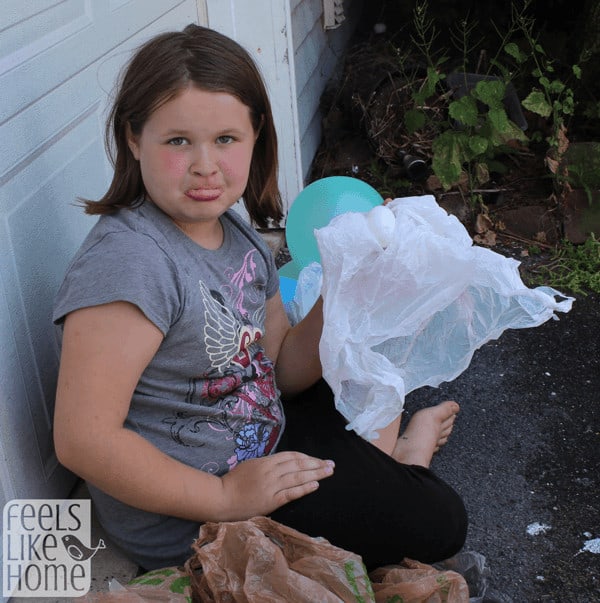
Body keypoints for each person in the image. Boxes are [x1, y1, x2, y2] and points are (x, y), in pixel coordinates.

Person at [53, 23, 467, 572]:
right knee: (441, 521)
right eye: (178, 140)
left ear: (255, 137)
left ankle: (386, 457)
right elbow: (82, 442)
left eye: (226, 139)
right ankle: (406, 457)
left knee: (367, 378)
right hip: (196, 507)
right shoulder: (130, 263)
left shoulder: (236, 231)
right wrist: (223, 498)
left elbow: (280, 368)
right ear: (134, 139)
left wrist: (345, 286)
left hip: (262, 427)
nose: (205, 165)